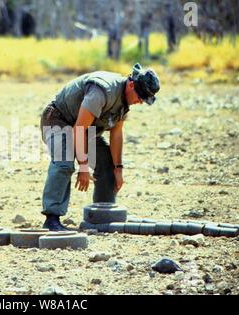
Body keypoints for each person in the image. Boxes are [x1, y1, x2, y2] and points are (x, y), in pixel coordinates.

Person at [40, 63, 160, 231]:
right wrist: (83, 166)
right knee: (64, 163)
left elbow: (116, 134)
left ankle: (103, 215)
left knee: (107, 164)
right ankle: (51, 219)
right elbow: (78, 130)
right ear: (131, 84)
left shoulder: (125, 101)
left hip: (85, 130)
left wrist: (118, 170)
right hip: (58, 120)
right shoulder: (102, 91)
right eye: (140, 96)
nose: (140, 102)